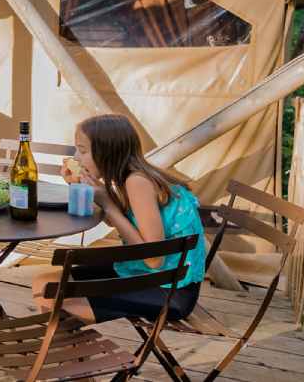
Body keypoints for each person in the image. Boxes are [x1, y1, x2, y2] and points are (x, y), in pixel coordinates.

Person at [30, 114, 206, 324]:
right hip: (141, 273)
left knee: (53, 299)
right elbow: (121, 223)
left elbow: (153, 259)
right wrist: (79, 188)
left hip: (167, 290)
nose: (76, 157)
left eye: (83, 150)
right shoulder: (130, 177)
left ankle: (70, 351)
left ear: (107, 152)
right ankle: (69, 350)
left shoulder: (137, 182)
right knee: (45, 283)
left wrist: (108, 204)